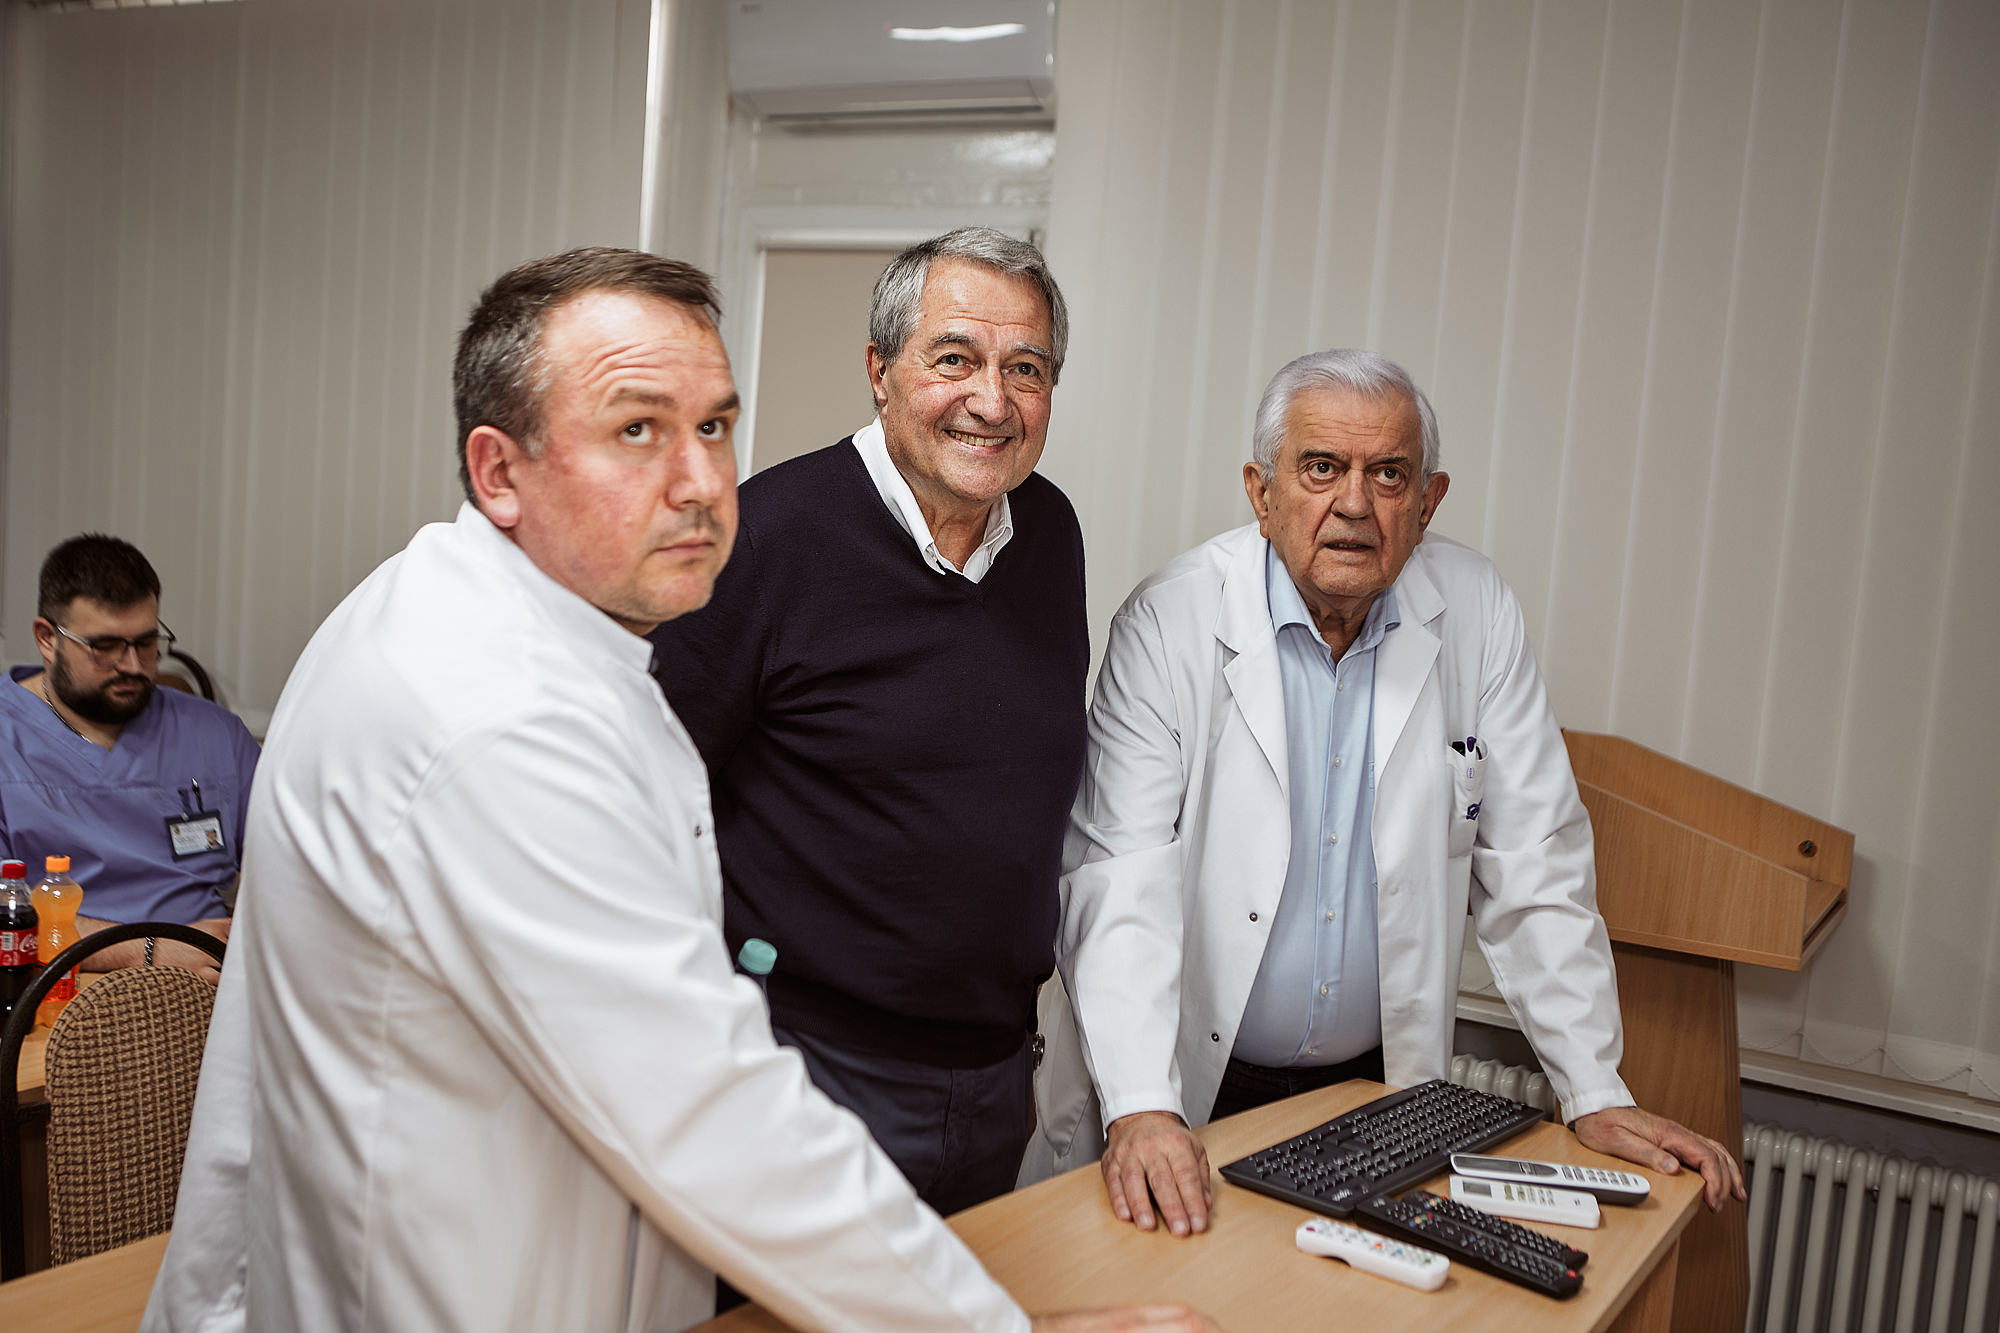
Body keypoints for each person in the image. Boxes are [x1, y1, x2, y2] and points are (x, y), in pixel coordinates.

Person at [144, 248, 1214, 1333]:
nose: (702, 482)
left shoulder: (508, 624)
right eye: (636, 431)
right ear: (499, 471)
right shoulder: (492, 720)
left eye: (712, 426)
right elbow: (700, 1108)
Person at [1030, 349, 1747, 1238]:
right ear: (1261, 493)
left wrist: (1594, 1086)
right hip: (1183, 1083)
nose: (1355, 503)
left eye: (1389, 474)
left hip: (1373, 1092)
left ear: (1429, 500)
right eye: (1320, 467)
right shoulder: (1171, 619)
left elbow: (1536, 864)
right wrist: (1141, 1102)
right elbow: (1118, 874)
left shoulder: (1477, 610)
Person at [647, 228, 1087, 1216]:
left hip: (992, 1074)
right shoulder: (760, 538)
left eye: (1025, 368)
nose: (992, 401)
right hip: (804, 1071)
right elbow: (646, 801)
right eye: (954, 359)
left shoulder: (1049, 532)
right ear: (879, 372)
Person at [0, 535, 258, 983]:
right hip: (63, 984)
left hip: (213, 980)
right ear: (47, 639)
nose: (134, 666)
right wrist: (148, 950)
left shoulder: (217, 733)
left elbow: (288, 873)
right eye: (105, 646)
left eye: (146, 642)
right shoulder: (10, 741)